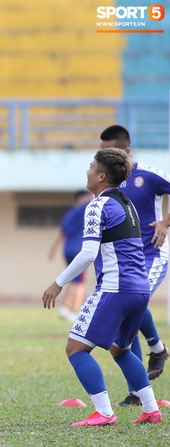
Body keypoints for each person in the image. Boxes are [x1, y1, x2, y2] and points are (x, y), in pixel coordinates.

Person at [42, 147, 161, 426]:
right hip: (140, 289)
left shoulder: (97, 205)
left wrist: (58, 283)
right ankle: (151, 409)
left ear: (101, 176)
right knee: (121, 349)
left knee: (75, 348)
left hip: (115, 289)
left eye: (90, 166)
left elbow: (87, 253)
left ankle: (105, 413)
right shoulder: (127, 203)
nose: (87, 171)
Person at [100, 125, 170, 407]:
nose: (103, 158)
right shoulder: (109, 184)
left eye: (109, 152)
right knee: (126, 321)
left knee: (134, 304)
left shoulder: (148, 176)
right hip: (126, 260)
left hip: (153, 254)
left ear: (126, 152)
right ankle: (138, 392)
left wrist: (165, 222)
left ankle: (157, 348)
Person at [48, 190, 93, 321]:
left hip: (67, 249)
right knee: (80, 282)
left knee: (72, 279)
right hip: (78, 250)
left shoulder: (69, 213)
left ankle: (65, 307)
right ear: (81, 198)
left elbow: (63, 233)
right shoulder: (85, 208)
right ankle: (75, 310)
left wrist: (53, 250)